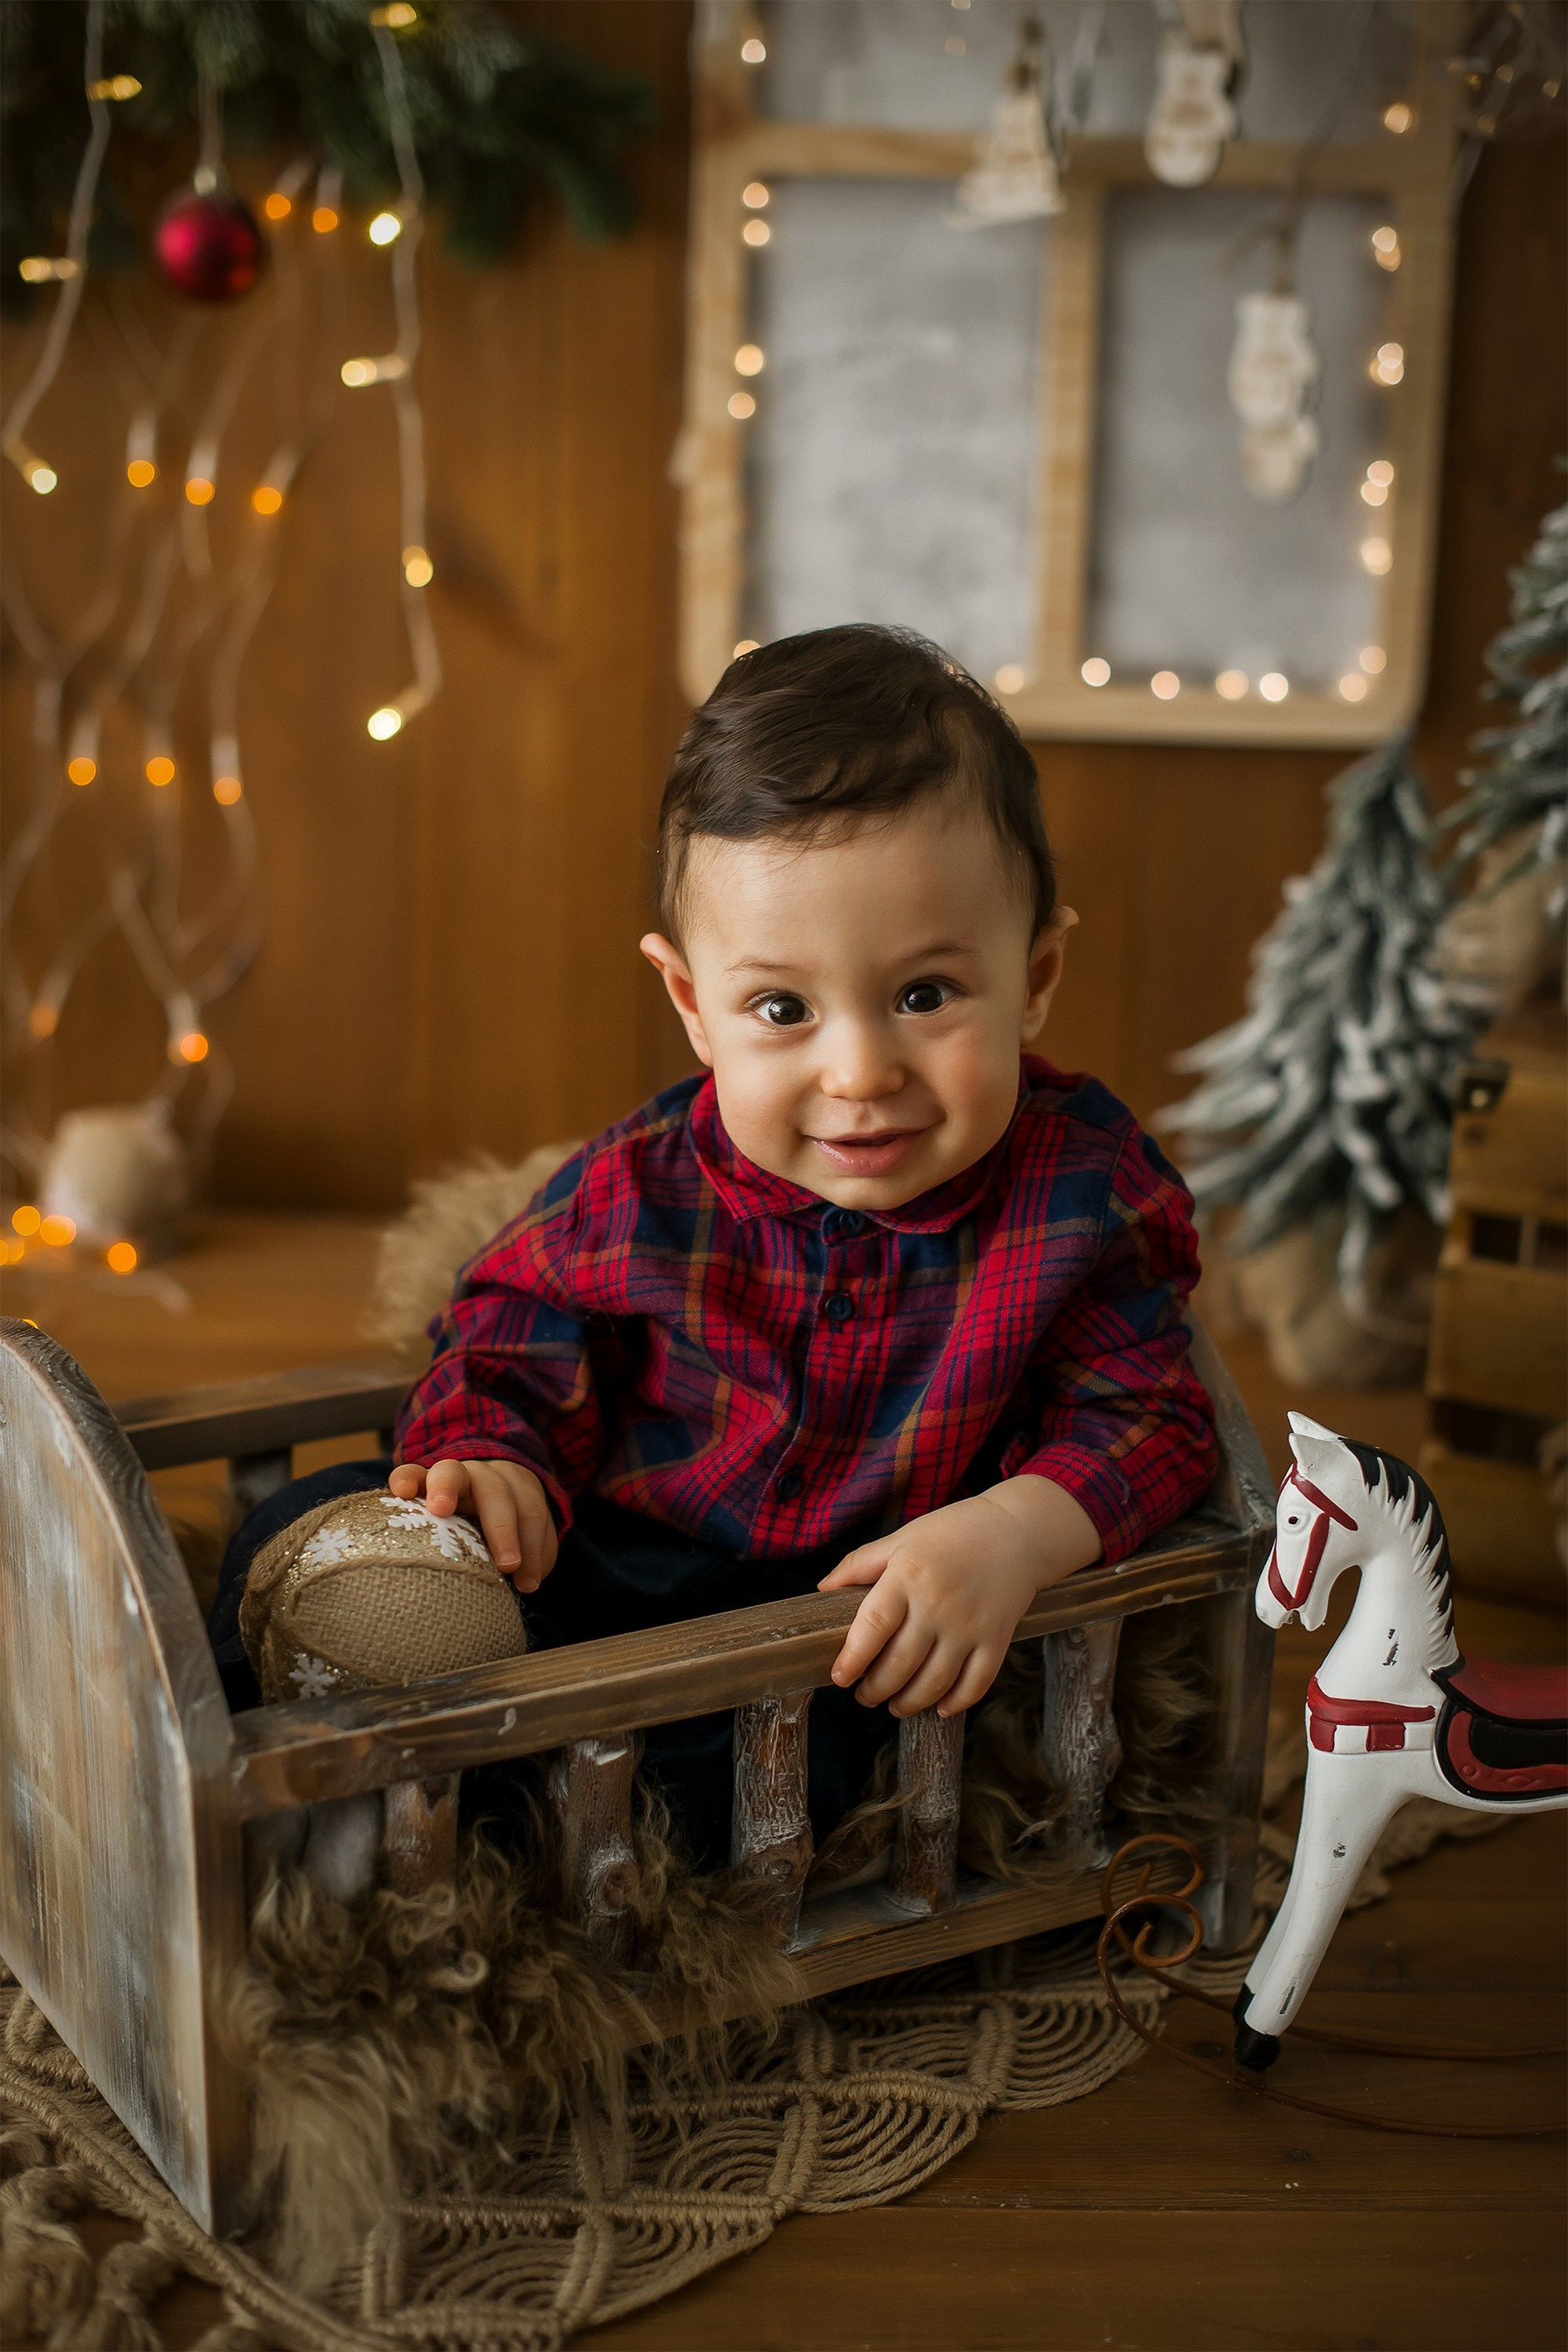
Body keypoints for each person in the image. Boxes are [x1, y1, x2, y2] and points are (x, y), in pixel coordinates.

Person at [218, 624, 1216, 1867]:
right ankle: (238, 1735)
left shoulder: (1078, 1195)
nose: (859, 1071)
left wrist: (1012, 1532)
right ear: (695, 1005)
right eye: (782, 1009)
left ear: (1037, 973)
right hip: (608, 1555)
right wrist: (492, 1450)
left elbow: (1153, 1416)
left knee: (777, 1765)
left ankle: (452, 1825)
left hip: (825, 1626)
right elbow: (514, 1319)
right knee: (314, 1523)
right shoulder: (646, 1183)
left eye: (924, 995)